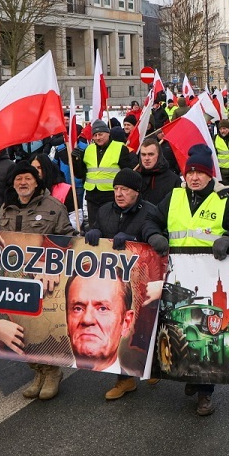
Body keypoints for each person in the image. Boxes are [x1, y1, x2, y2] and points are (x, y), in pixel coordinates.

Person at [159, 144, 229, 416]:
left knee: (206, 336)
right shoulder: (175, 196)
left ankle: (205, 392)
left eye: (200, 173)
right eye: (190, 172)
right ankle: (192, 377)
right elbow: (152, 220)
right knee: (180, 331)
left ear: (209, 175)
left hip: (208, 279)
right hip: (177, 279)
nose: (194, 177)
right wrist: (153, 234)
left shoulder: (225, 199)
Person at [83, 168, 169, 397]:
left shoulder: (149, 212)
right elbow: (96, 231)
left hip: (143, 281)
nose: (119, 194)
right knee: (120, 328)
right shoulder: (104, 210)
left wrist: (134, 241)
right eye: (116, 189)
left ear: (137, 192)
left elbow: (157, 242)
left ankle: (152, 366)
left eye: (124, 189)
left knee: (145, 325)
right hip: (113, 282)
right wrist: (94, 232)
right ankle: (124, 380)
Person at [0, 160, 77, 400]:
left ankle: (52, 372)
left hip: (46, 278)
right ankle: (38, 371)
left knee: (42, 328)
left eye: (28, 178)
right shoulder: (6, 207)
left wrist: (51, 266)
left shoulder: (53, 206)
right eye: (18, 179)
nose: (23, 183)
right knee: (21, 329)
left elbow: (68, 239)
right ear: (13, 183)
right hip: (15, 278)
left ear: (36, 181)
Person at [72, 119, 135, 217]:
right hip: (92, 197)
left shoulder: (120, 148)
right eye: (95, 135)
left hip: (111, 195)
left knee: (109, 227)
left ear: (108, 133)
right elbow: (80, 174)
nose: (98, 138)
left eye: (100, 134)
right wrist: (76, 161)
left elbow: (127, 173)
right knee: (94, 228)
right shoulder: (88, 149)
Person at [136, 137, 181, 207]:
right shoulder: (135, 177)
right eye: (143, 154)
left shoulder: (173, 180)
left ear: (159, 155)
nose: (146, 158)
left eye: (151, 154)